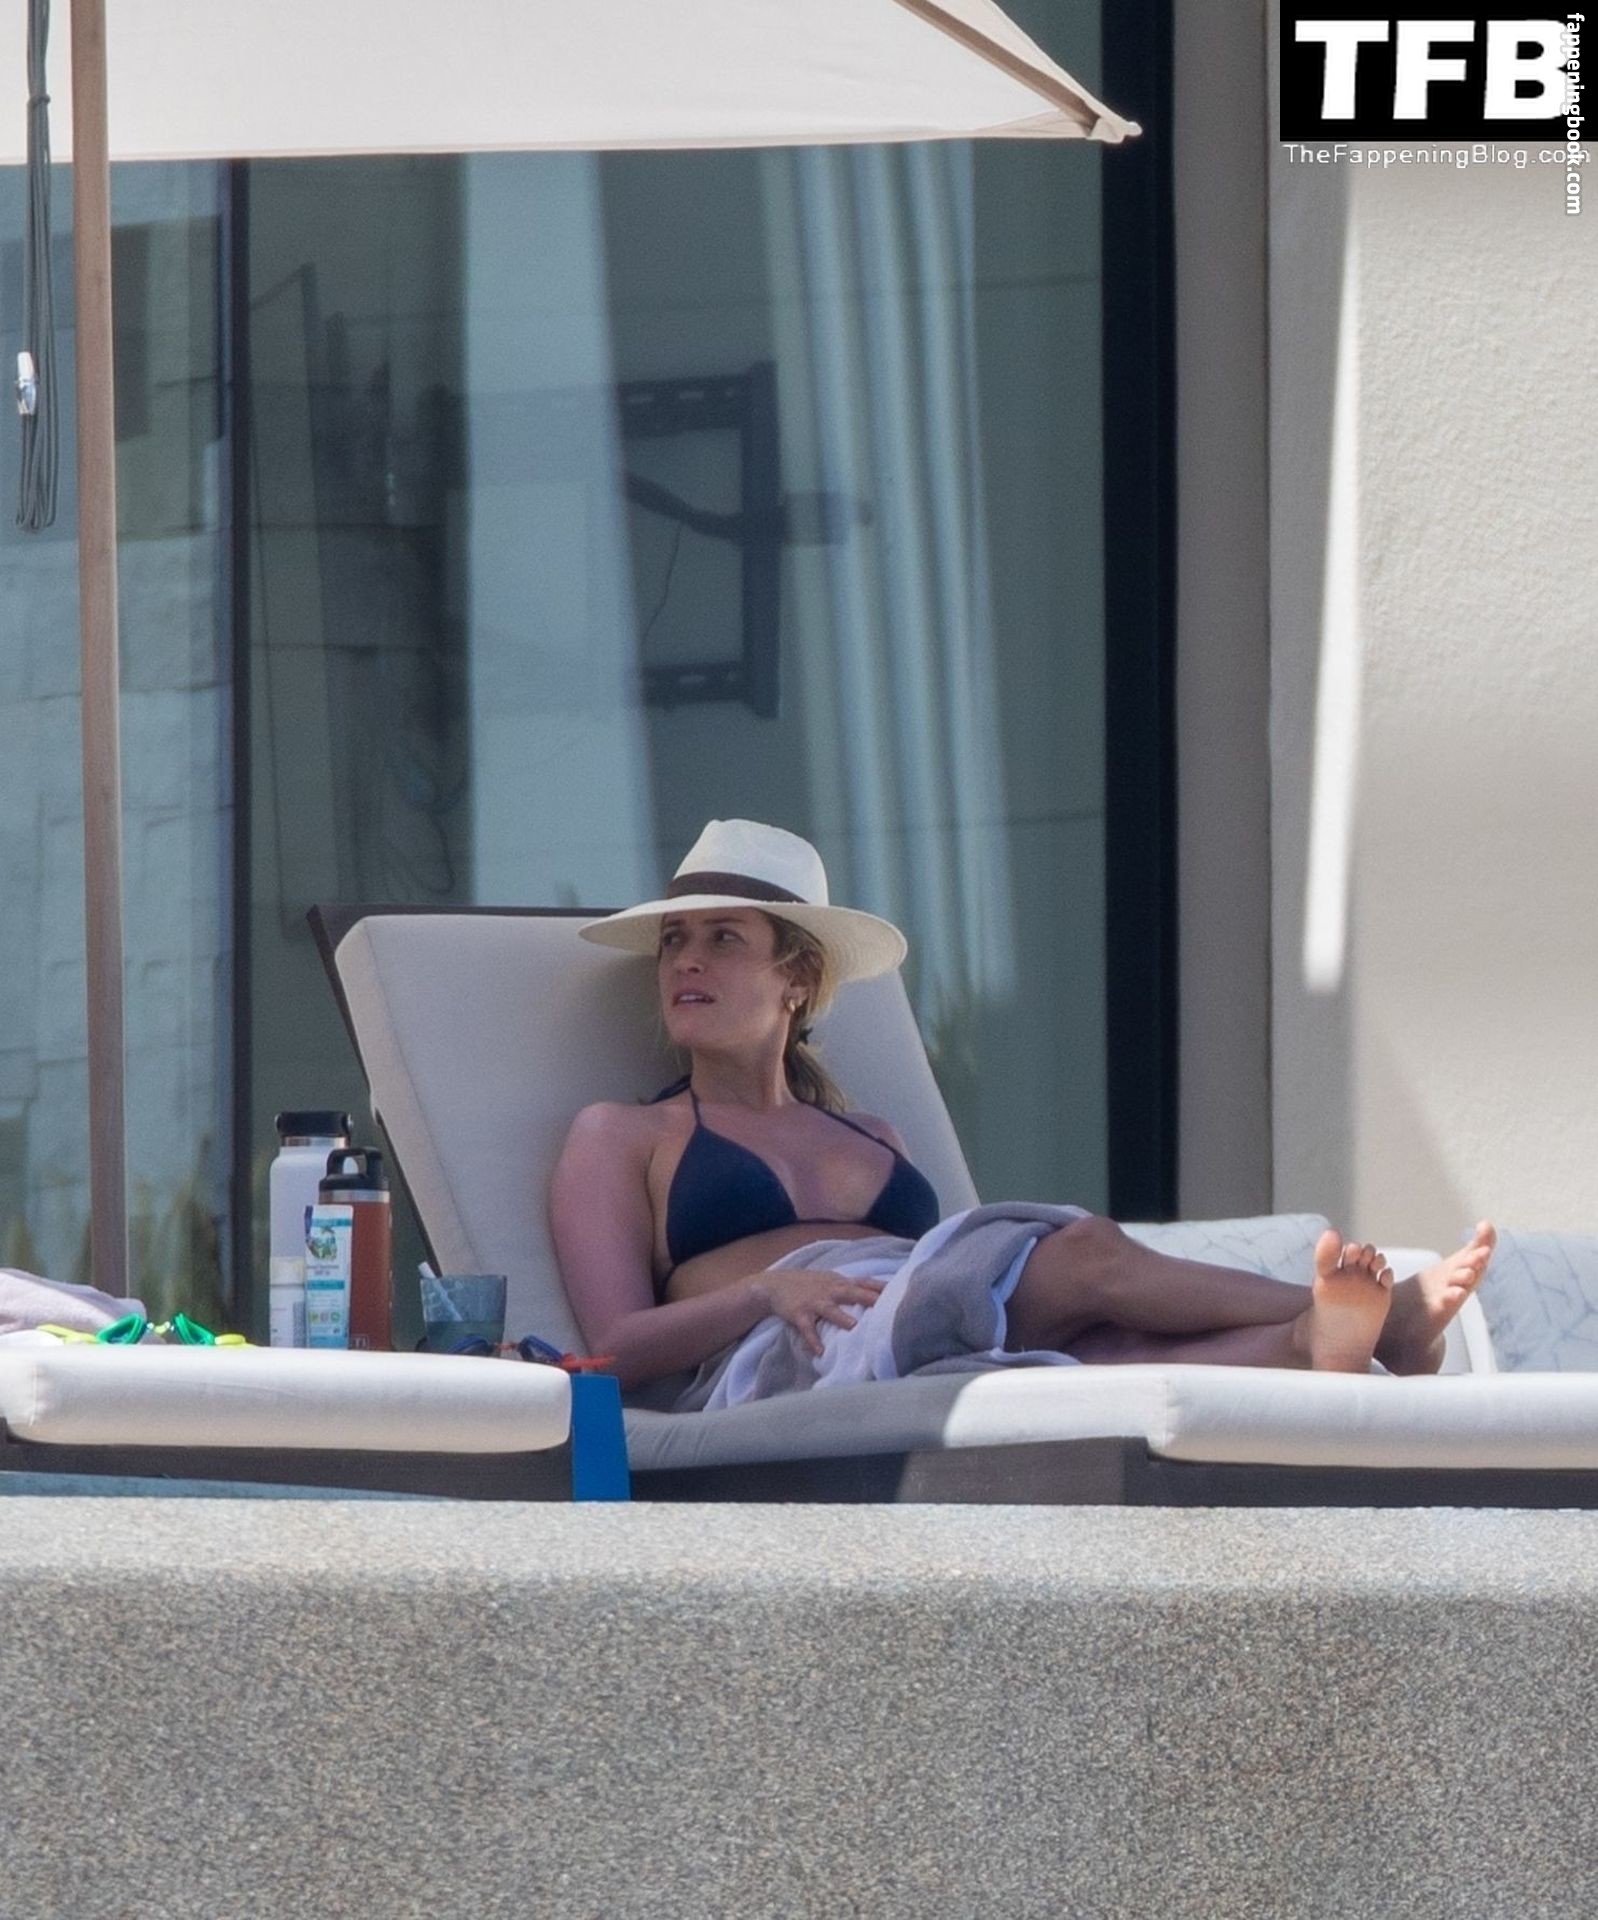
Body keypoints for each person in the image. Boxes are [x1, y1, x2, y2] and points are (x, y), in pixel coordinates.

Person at [550, 819, 1494, 1411]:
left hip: (923, 1323)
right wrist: (763, 1293)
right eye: (674, 941)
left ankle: (1311, 1346)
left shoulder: (875, 1139)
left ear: (795, 978)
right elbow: (611, 1351)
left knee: (1106, 1349)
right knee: (1086, 1255)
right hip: (791, 1355)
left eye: (723, 938)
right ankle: (1379, 1322)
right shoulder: (625, 1137)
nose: (687, 960)